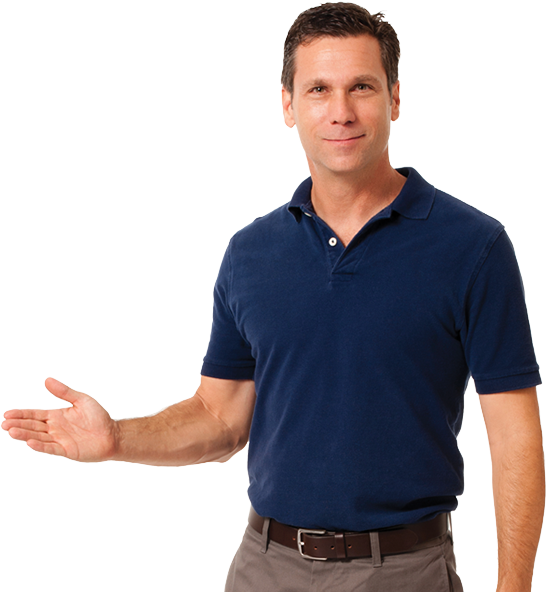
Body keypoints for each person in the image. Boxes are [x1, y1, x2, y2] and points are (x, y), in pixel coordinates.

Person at [2, 3, 544, 591]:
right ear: (288, 105)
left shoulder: (472, 246)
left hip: (404, 570)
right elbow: (220, 417)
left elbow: (513, 436)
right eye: (318, 89)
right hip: (264, 566)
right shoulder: (250, 254)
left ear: (394, 98)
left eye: (361, 87)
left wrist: (514, 586)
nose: (340, 111)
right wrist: (116, 439)